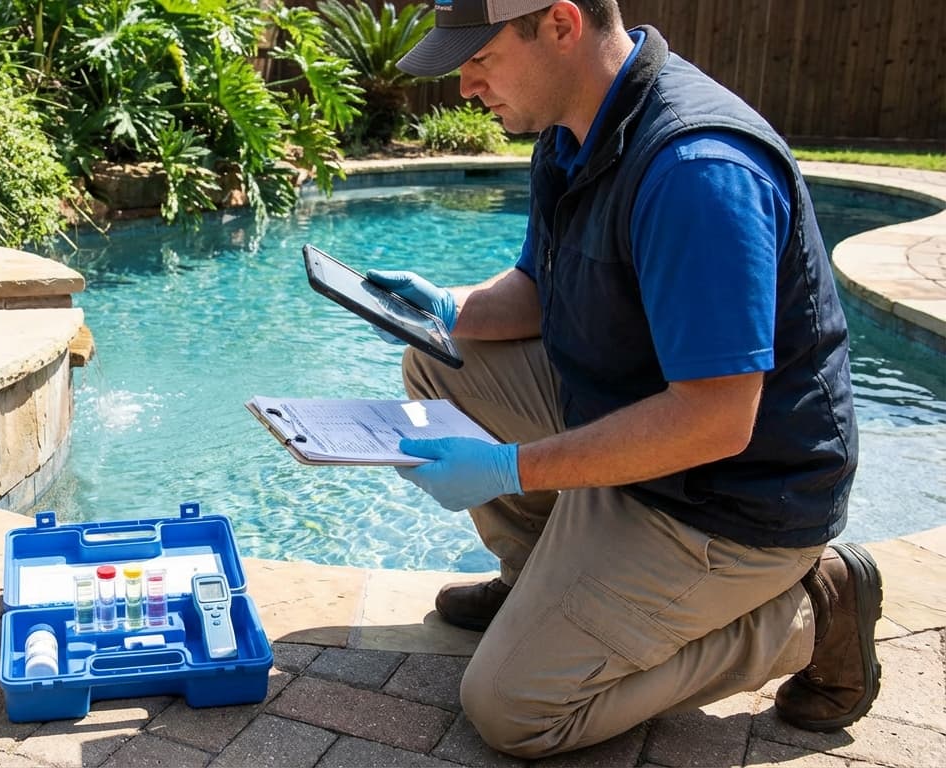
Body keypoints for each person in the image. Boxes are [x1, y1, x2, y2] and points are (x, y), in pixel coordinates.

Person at [365, 0, 882, 758]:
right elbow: (538, 292)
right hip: (645, 428)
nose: (465, 85)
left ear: (561, 25)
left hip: (732, 497)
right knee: (441, 360)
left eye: (480, 57)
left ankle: (809, 610)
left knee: (514, 710)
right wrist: (448, 308)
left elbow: (716, 422)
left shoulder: (696, 171)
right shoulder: (575, 130)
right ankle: (541, 577)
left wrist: (510, 467)